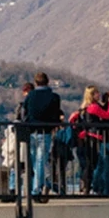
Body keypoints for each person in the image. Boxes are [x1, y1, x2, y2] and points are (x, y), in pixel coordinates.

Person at [23, 72, 63, 200]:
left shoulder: (30, 96)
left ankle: (37, 186)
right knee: (41, 160)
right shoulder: (54, 97)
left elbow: (25, 112)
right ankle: (36, 189)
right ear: (48, 81)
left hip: (31, 131)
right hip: (44, 132)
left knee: (35, 161)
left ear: (36, 82)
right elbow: (56, 114)